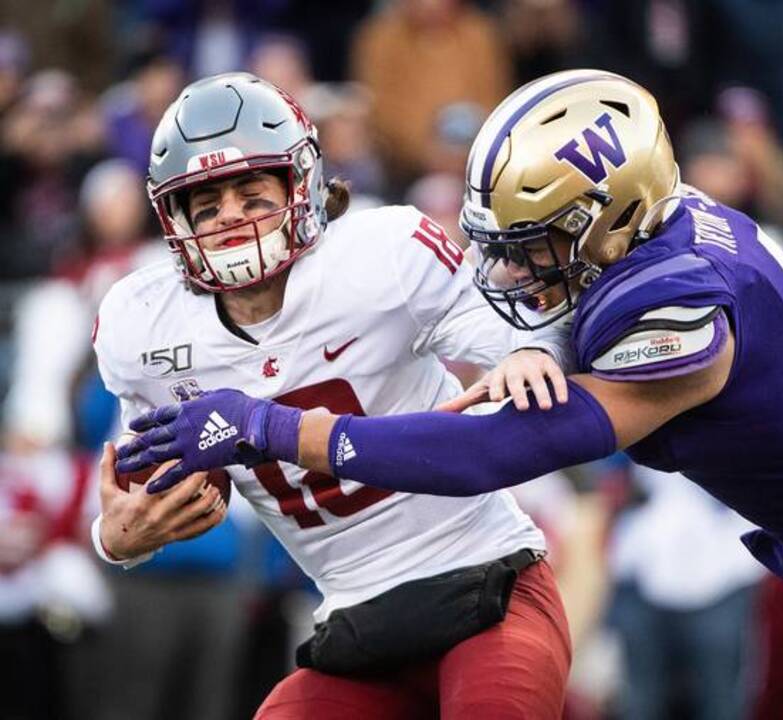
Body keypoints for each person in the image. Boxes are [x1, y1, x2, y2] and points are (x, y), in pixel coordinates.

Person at [120, 69, 783, 719]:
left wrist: (280, 428)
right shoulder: (661, 228)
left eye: (533, 245)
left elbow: (501, 451)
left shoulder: (675, 306)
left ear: (611, 218)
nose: (513, 271)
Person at [91, 72, 572, 719]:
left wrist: (527, 351)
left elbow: (532, 331)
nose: (229, 216)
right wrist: (118, 540)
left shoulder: (383, 253)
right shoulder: (141, 324)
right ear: (172, 219)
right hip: (358, 624)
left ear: (303, 184)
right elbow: (147, 490)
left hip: (488, 583)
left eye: (251, 194)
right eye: (205, 205)